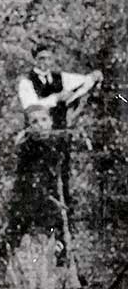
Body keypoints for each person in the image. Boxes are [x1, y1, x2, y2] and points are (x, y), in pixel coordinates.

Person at [15, 45, 102, 210]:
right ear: (35, 60)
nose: (45, 63)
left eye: (49, 58)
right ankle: (34, 216)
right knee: (36, 176)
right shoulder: (26, 81)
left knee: (62, 173)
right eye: (41, 58)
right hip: (38, 138)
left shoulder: (60, 77)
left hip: (60, 136)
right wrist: (57, 98)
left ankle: (63, 217)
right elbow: (31, 106)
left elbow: (84, 80)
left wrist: (93, 76)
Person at [0, 104, 70, 277]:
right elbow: (27, 176)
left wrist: (59, 198)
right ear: (29, 127)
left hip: (50, 198)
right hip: (27, 198)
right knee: (14, 233)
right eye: (34, 122)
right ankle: (0, 271)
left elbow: (58, 176)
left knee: (60, 234)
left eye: (44, 120)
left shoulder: (55, 146)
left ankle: (64, 274)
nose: (40, 125)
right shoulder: (27, 146)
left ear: (51, 121)